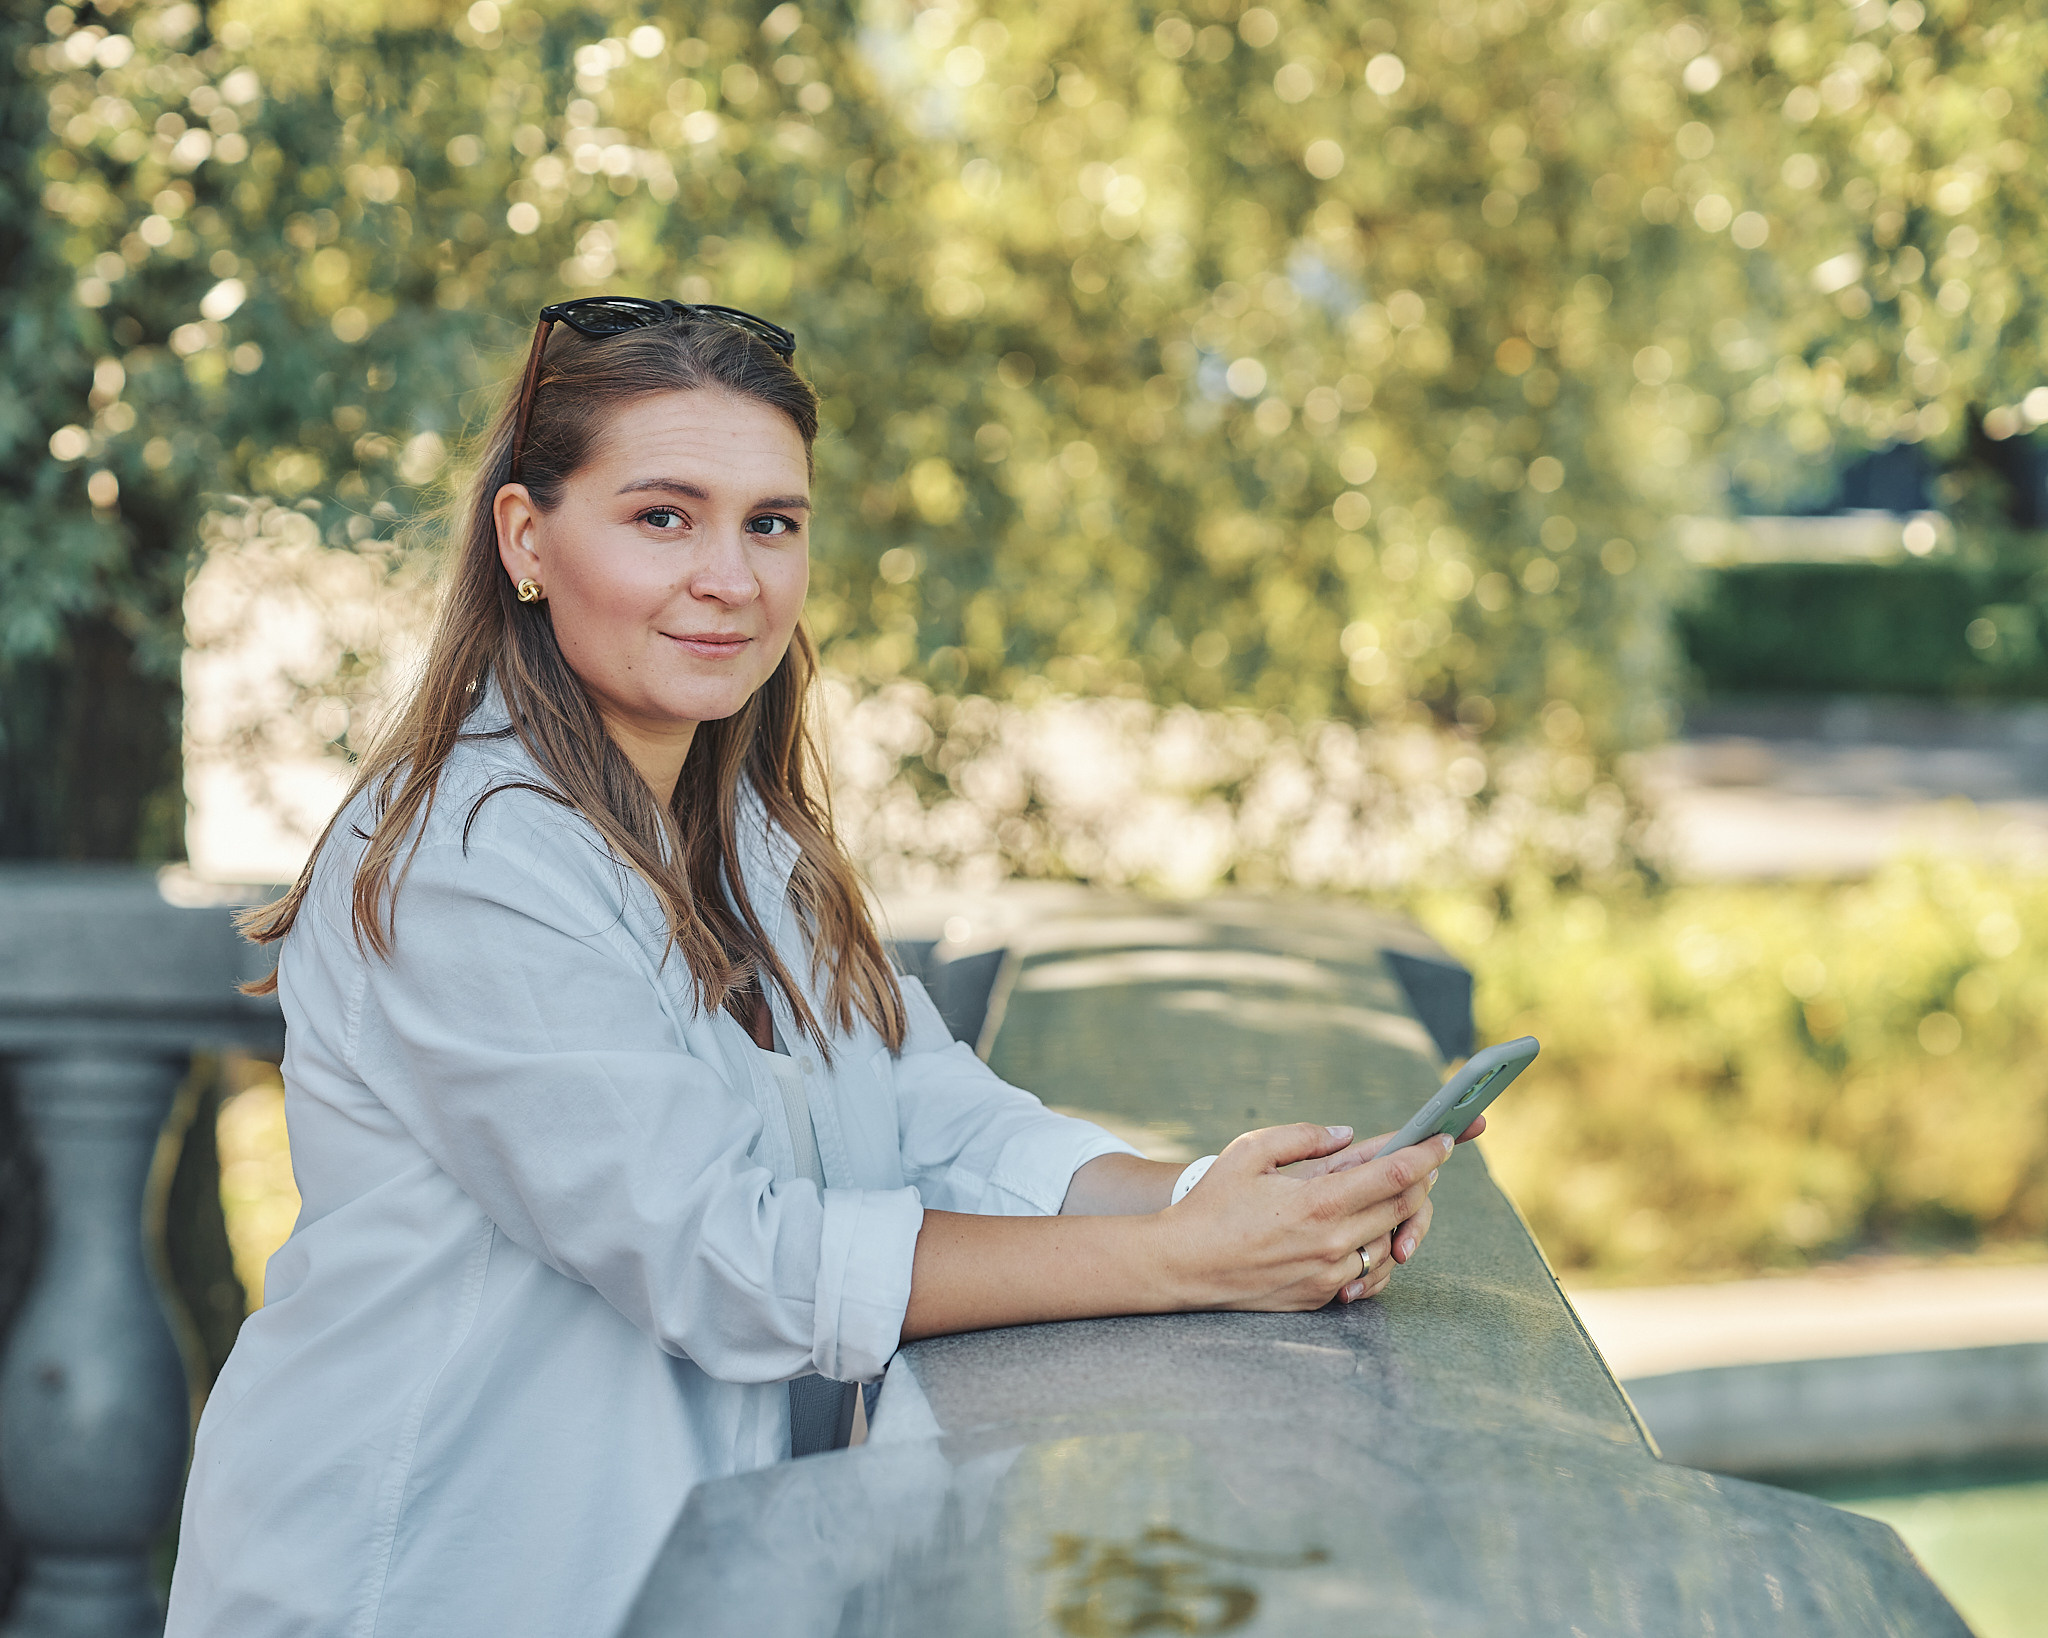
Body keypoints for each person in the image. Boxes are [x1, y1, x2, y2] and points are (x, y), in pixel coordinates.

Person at [165, 299, 1478, 1637]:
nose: (731, 577)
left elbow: (933, 1117)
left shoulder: (743, 834)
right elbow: (723, 1256)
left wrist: (1223, 1195)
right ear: (526, 539)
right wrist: (1180, 1263)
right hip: (422, 1582)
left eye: (772, 523)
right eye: (663, 517)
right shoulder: (466, 862)